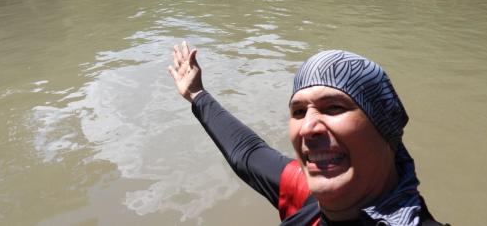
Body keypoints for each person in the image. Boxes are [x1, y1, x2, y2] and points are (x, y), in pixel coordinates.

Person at [169, 43, 447, 226]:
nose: (308, 128)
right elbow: (248, 154)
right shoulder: (309, 198)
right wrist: (196, 94)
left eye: (334, 107)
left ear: (385, 127)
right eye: (299, 111)